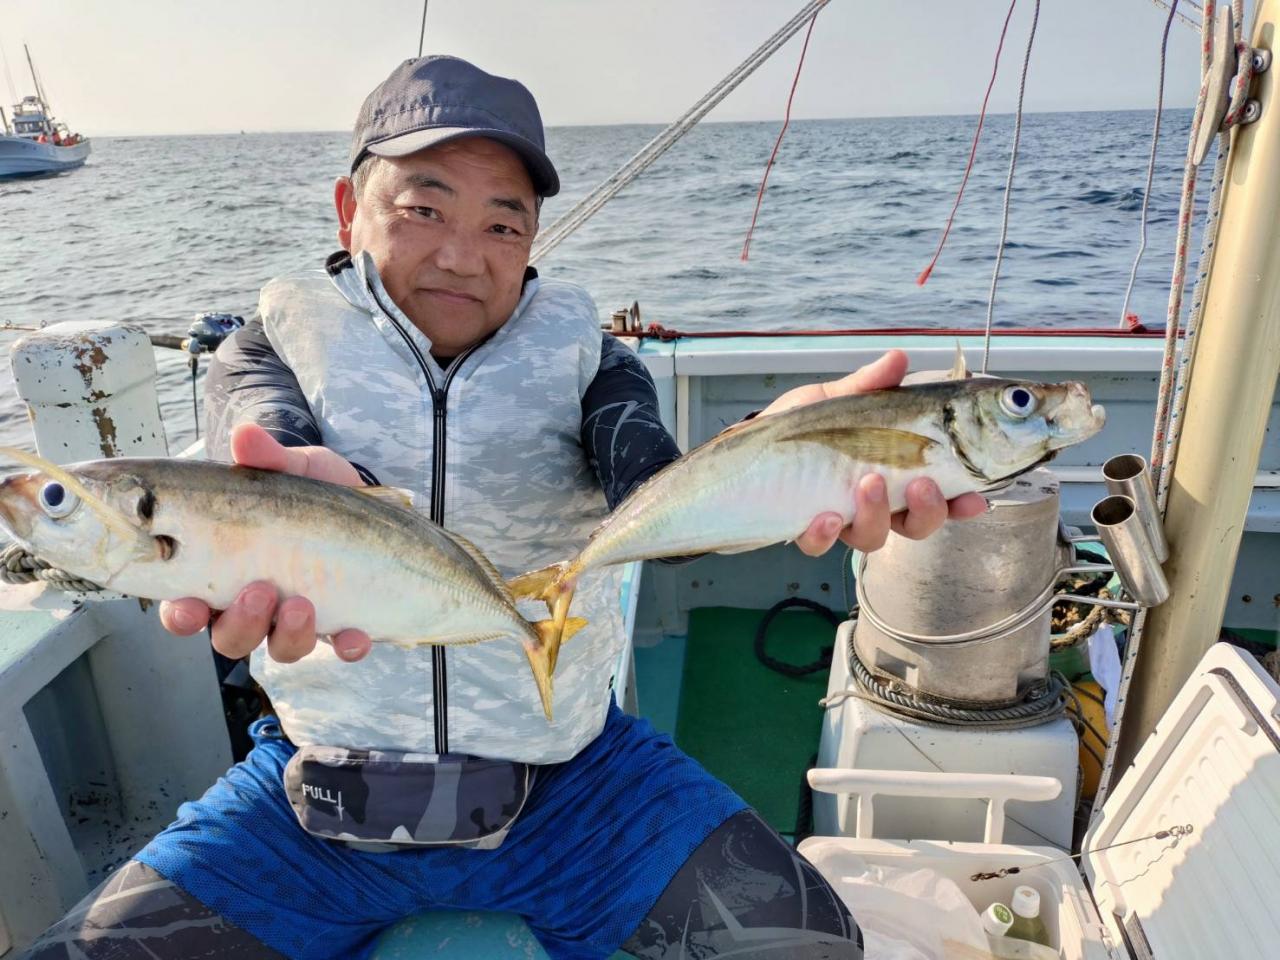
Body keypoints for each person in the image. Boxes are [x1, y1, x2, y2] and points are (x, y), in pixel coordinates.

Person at [20, 57, 984, 960]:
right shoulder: (266, 350)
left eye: (502, 226)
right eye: (423, 209)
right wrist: (309, 494)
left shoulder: (594, 360)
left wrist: (786, 459)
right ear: (350, 209)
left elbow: (655, 501)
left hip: (578, 788)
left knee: (811, 943)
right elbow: (263, 440)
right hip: (314, 801)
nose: (461, 257)